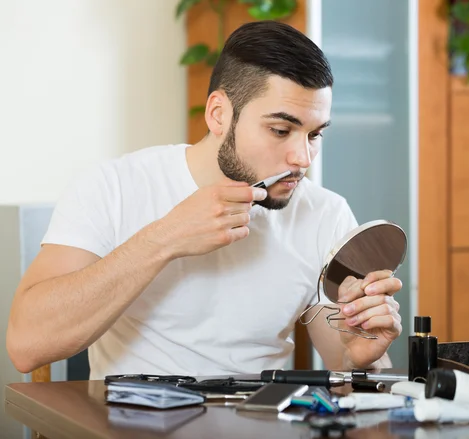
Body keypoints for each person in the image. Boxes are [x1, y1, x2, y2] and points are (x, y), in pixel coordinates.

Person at [7, 21, 402, 380]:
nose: (303, 158)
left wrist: (363, 357)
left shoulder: (325, 214)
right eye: (281, 130)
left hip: (262, 423)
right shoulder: (114, 186)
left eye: (315, 135)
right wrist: (164, 239)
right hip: (132, 423)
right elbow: (26, 346)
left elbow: (348, 367)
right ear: (218, 115)